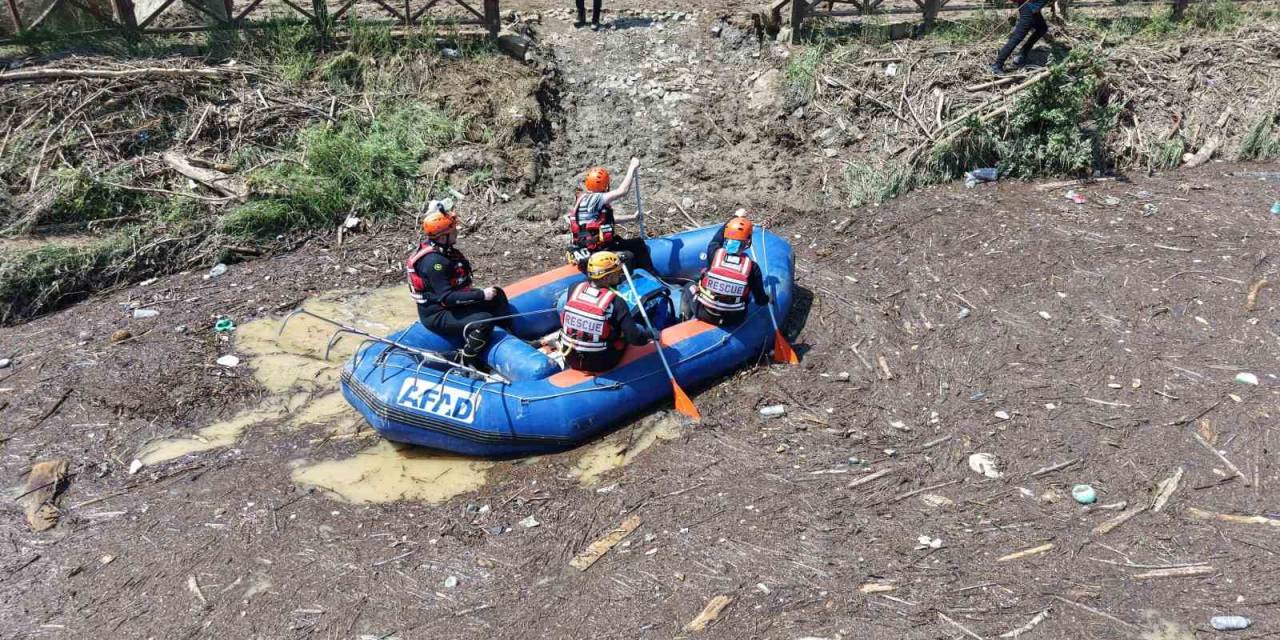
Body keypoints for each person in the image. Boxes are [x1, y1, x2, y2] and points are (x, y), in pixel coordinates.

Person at [405, 204, 507, 370]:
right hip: (437, 314)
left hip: (450, 304)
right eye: (452, 231)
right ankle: (468, 360)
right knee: (484, 320)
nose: (456, 232)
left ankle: (508, 338)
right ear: (442, 236)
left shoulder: (444, 251)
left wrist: (484, 295)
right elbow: (446, 298)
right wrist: (481, 295)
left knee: (497, 295)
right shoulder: (434, 262)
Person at [559, 251, 658, 373]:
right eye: (616, 273)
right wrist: (649, 334)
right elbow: (635, 339)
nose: (620, 275)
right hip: (601, 362)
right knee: (637, 328)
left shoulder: (574, 288)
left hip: (570, 357)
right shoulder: (616, 301)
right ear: (607, 278)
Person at [565, 157, 655, 276]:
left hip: (596, 247)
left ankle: (650, 276)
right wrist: (632, 167)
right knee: (628, 256)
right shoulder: (595, 198)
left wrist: (633, 217)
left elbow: (608, 221)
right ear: (605, 185)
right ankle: (624, 282)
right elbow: (622, 191)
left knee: (637, 243)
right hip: (595, 250)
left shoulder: (586, 199)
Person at [682, 216, 769, 326]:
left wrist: (735, 218)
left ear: (726, 237)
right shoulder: (752, 267)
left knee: (688, 286)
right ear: (747, 242)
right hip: (734, 319)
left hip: (704, 313)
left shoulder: (714, 253)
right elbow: (760, 300)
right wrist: (767, 298)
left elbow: (716, 239)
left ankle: (684, 318)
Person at [991, 0, 1049, 75]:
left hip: (1033, 8)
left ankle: (1021, 55)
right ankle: (997, 65)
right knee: (1017, 37)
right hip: (1029, 7)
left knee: (1042, 28)